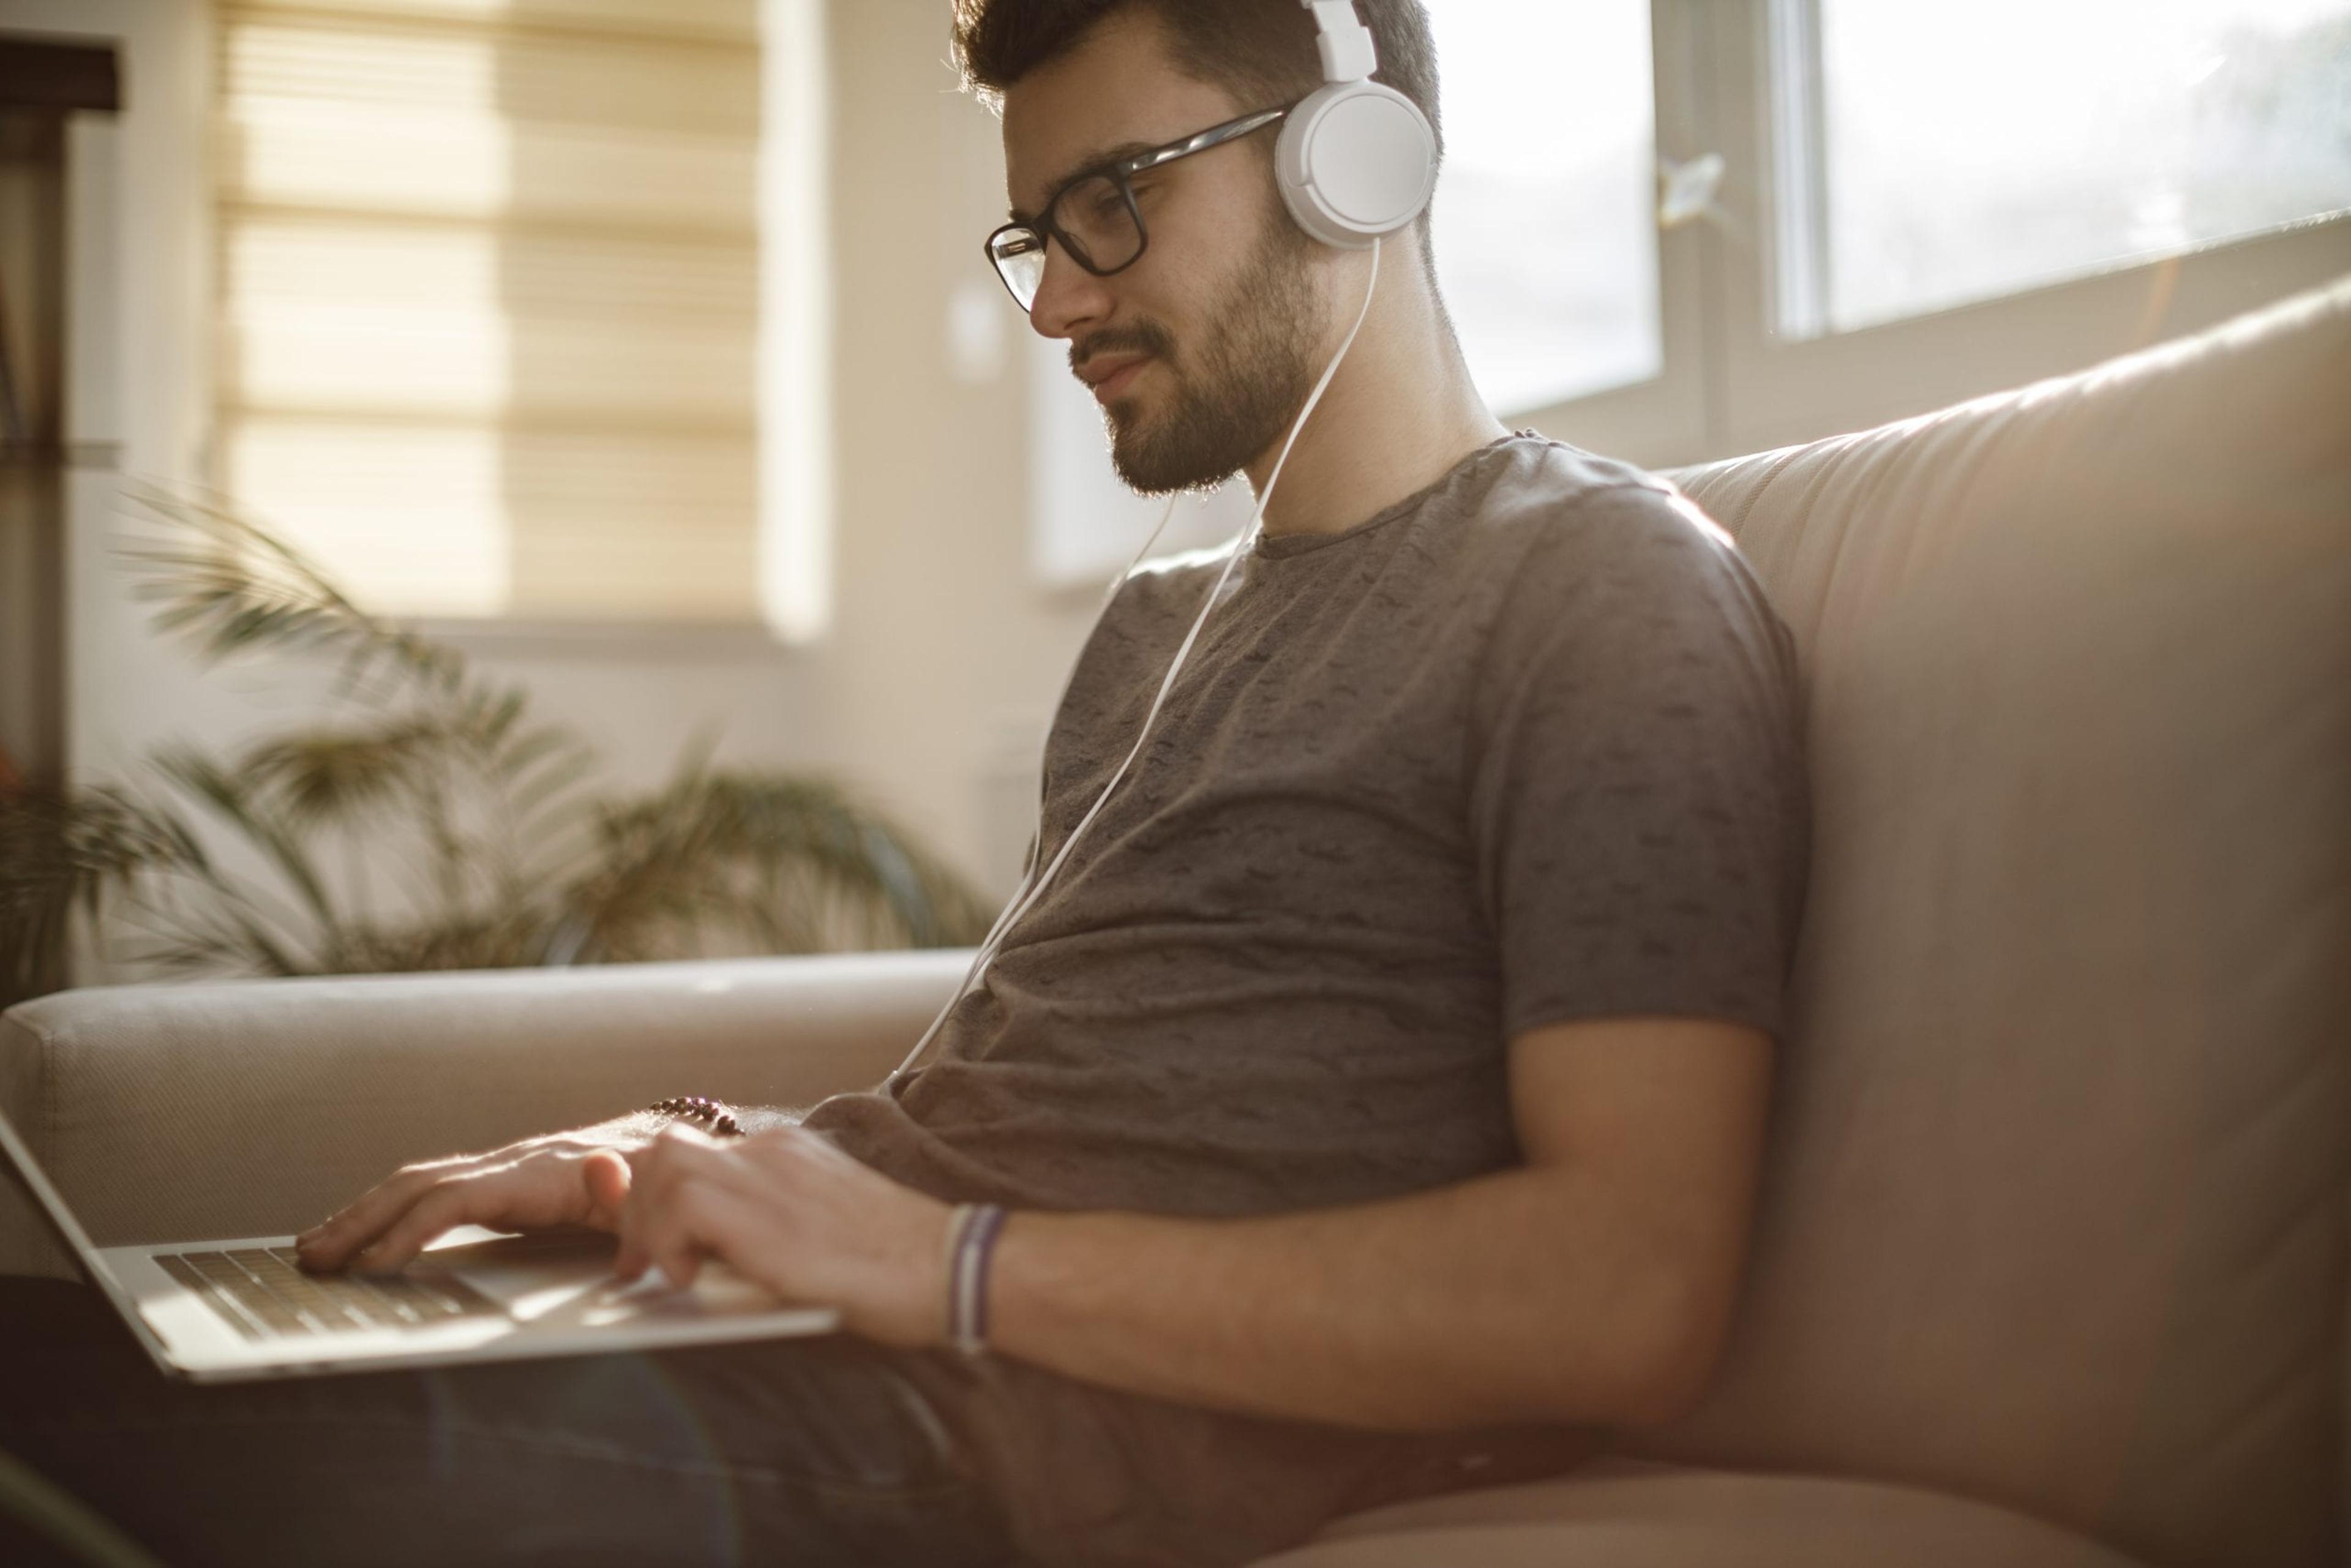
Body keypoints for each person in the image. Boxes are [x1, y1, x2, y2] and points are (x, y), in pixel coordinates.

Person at [0, 2, 1810, 1565]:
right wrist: (684, 1166)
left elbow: (1627, 1289)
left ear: (1359, 162)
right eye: (1040, 232)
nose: (1058, 304)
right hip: (784, 1350)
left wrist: (938, 1265)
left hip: (949, 1459)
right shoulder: (1159, 630)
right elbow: (1027, 1114)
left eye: (1116, 202)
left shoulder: (1601, 589)